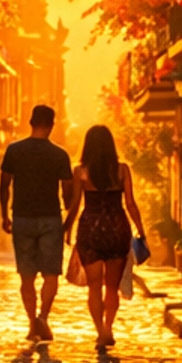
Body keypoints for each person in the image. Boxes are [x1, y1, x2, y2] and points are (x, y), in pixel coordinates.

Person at [0, 104, 75, 343]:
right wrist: (67, 211)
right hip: (50, 219)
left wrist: (4, 215)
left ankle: (33, 323)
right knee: (51, 273)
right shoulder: (60, 155)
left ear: (30, 122)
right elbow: (67, 190)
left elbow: (4, 186)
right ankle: (42, 317)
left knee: (26, 276)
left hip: (21, 218)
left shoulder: (14, 151)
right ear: (52, 125)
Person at [67, 122, 145, 348]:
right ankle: (109, 328)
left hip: (90, 228)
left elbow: (74, 205)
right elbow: (130, 203)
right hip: (116, 228)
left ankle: (100, 330)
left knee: (93, 286)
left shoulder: (80, 171)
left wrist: (68, 229)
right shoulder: (122, 170)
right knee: (112, 287)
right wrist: (141, 229)